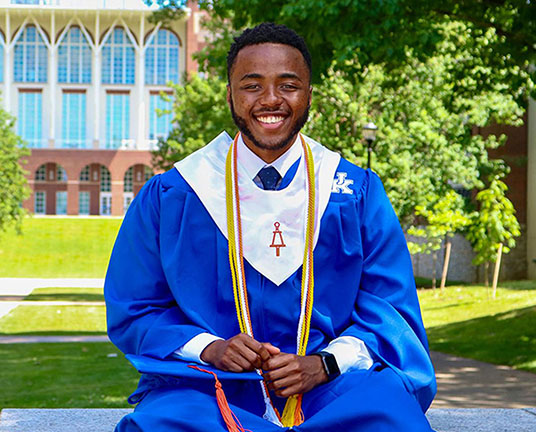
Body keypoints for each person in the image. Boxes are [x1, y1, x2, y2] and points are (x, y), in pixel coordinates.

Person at [105, 22, 436, 432]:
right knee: (164, 422)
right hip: (210, 388)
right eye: (252, 85)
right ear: (230, 95)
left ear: (309, 95)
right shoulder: (176, 193)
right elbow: (135, 307)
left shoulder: (352, 192)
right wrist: (210, 348)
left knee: (391, 418)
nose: (271, 100)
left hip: (331, 388)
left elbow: (389, 308)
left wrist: (324, 363)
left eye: (288, 85)